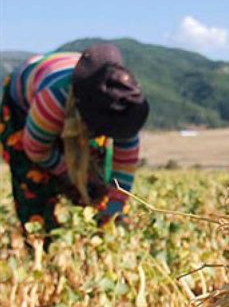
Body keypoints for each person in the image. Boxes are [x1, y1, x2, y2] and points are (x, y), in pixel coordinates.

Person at [1, 43, 149, 233]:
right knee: (33, 178)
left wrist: (113, 211)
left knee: (98, 173)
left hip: (78, 98)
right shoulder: (53, 98)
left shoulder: (126, 105)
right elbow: (36, 150)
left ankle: (94, 227)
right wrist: (71, 175)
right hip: (24, 105)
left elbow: (123, 168)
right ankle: (41, 239)